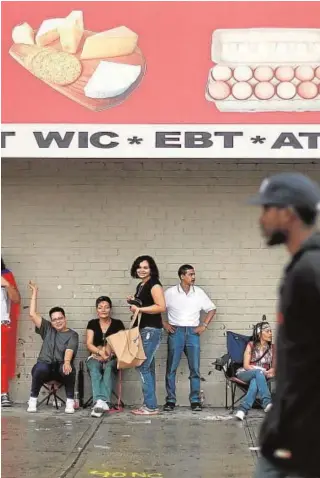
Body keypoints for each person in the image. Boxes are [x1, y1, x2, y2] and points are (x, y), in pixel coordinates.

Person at [248, 172, 320, 478]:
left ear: (287, 213)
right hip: (290, 431)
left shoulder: (310, 270)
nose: (261, 218)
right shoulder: (302, 265)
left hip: (304, 438)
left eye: (267, 209)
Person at [163, 264, 216, 412]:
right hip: (176, 331)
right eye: (190, 274)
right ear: (182, 276)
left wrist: (204, 325)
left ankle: (195, 401)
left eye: (194, 274)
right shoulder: (170, 292)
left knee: (195, 368)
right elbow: (158, 308)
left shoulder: (198, 292)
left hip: (193, 332)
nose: (193, 277)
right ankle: (170, 401)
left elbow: (212, 309)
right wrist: (164, 324)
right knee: (171, 368)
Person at [27, 281, 79, 414]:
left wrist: (67, 362)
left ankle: (70, 402)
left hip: (60, 370)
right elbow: (32, 314)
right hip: (45, 369)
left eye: (60, 318)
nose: (58, 321)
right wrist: (34, 292)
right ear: (51, 321)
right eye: (54, 319)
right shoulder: (47, 329)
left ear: (65, 318)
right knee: (40, 366)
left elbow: (70, 349)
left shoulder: (72, 334)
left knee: (68, 368)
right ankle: (32, 400)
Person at [128, 255, 166, 415]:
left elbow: (161, 307)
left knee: (142, 365)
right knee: (147, 366)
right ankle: (150, 404)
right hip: (143, 329)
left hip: (152, 329)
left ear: (151, 269)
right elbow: (144, 305)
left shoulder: (154, 285)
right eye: (139, 267)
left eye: (145, 267)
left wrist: (139, 309)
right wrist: (134, 302)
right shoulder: (141, 285)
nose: (141, 270)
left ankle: (150, 406)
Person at [86, 295, 125, 418]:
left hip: (113, 357)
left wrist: (109, 354)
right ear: (96, 309)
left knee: (108, 368)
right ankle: (102, 402)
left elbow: (121, 342)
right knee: (94, 367)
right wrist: (100, 353)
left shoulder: (118, 324)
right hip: (95, 356)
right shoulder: (92, 323)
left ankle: (100, 402)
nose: (103, 310)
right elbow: (89, 344)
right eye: (100, 307)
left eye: (106, 307)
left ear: (110, 309)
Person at [234, 321, 274, 420]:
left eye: (271, 331)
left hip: (260, 375)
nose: (270, 333)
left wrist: (271, 371)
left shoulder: (272, 348)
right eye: (267, 331)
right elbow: (246, 365)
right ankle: (267, 402)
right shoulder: (251, 345)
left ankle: (242, 410)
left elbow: (274, 367)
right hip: (245, 373)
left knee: (255, 382)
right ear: (260, 334)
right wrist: (261, 370)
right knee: (258, 373)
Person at [1, 258, 21, 407]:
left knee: (2, 359)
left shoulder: (5, 275)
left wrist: (7, 284)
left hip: (2, 323)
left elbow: (16, 299)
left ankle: (3, 393)